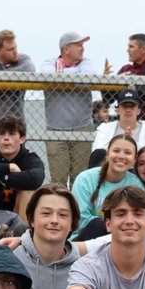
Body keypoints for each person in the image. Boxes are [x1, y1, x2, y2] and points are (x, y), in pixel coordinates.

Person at [12, 185, 83, 289]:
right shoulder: (12, 261)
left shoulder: (82, 269)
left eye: (63, 215)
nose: (54, 220)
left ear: (72, 224)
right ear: (31, 220)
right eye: (46, 213)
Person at [41, 32, 98, 188]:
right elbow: (48, 77)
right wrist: (75, 77)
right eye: (78, 45)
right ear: (66, 49)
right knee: (58, 181)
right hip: (56, 130)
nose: (82, 48)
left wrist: (61, 75)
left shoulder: (85, 62)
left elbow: (89, 79)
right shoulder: (49, 62)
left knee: (80, 180)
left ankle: (77, 205)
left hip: (82, 128)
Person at [72, 134, 145, 235]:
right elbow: (80, 220)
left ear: (135, 159)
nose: (121, 156)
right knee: (96, 225)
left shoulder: (137, 184)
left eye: (127, 152)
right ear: (107, 154)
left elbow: (141, 218)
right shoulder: (85, 179)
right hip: (86, 237)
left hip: (123, 236)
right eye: (116, 151)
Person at [0, 114, 45, 218]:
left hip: (19, 211)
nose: (6, 138)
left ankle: (23, 228)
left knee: (28, 191)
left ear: (22, 139)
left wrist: (2, 178)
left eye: (12, 134)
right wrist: (9, 167)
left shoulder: (30, 158)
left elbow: (36, 178)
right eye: (2, 134)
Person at [106, 33, 145, 124]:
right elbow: (108, 99)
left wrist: (126, 78)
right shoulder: (125, 69)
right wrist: (106, 80)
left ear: (143, 49)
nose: (127, 50)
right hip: (123, 125)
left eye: (131, 46)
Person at [90, 89, 145, 167]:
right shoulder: (105, 128)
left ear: (138, 111)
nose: (128, 110)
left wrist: (132, 142)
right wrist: (121, 143)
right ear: (118, 110)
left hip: (136, 169)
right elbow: (97, 153)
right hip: (110, 169)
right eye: (124, 106)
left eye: (132, 106)